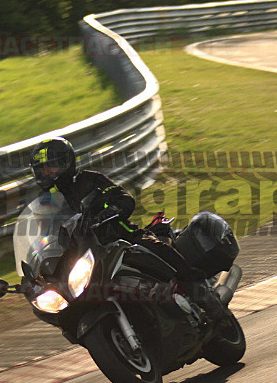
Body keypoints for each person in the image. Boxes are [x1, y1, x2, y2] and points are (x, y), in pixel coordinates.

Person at [28, 137, 229, 323]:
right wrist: (35, 262)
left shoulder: (89, 180)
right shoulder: (45, 205)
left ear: (66, 162)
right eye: (41, 168)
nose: (46, 173)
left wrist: (112, 210)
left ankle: (205, 298)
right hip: (84, 257)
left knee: (159, 251)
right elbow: (44, 239)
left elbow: (124, 199)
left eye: (51, 166)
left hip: (122, 238)